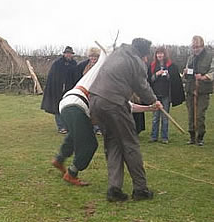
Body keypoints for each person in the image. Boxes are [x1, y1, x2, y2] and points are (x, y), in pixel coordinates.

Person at [52, 50, 158, 187]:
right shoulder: (100, 71)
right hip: (76, 105)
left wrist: (150, 108)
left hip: (66, 104)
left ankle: (59, 159)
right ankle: (71, 174)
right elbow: (103, 56)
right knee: (90, 144)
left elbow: (128, 106)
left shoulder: (106, 81)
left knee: (75, 135)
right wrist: (110, 51)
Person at [89, 38, 162, 202]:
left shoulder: (117, 53)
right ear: (144, 53)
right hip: (113, 103)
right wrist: (154, 101)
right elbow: (142, 86)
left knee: (113, 143)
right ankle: (140, 189)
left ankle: (114, 189)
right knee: (130, 144)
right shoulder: (135, 61)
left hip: (95, 101)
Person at [148, 47, 185, 144]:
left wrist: (168, 75)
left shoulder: (171, 66)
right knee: (155, 117)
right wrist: (156, 74)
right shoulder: (152, 66)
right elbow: (149, 80)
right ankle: (154, 136)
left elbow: (174, 81)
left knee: (165, 117)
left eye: (161, 53)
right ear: (156, 55)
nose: (159, 55)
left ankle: (164, 137)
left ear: (164, 55)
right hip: (155, 95)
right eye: (158, 53)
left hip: (166, 95)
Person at [41, 46, 80, 134]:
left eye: (70, 53)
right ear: (64, 54)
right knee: (57, 108)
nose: (68, 55)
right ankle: (61, 127)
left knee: (68, 108)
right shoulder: (57, 63)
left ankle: (67, 126)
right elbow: (53, 77)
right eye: (67, 53)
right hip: (57, 89)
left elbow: (76, 76)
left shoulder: (74, 64)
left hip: (69, 90)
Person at [183, 36, 214, 146]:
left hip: (203, 90)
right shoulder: (190, 58)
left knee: (200, 115)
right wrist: (186, 73)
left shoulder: (210, 56)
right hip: (191, 89)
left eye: (197, 47)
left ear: (202, 46)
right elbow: (187, 74)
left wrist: (204, 77)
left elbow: (212, 72)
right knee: (191, 114)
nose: (195, 49)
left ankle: (200, 137)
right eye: (193, 47)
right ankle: (192, 136)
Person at [77, 47, 102, 135]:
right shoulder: (85, 65)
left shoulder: (101, 66)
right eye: (91, 56)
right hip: (87, 90)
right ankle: (89, 127)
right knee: (88, 109)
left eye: (95, 56)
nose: (93, 58)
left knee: (98, 109)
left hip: (99, 90)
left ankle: (98, 127)